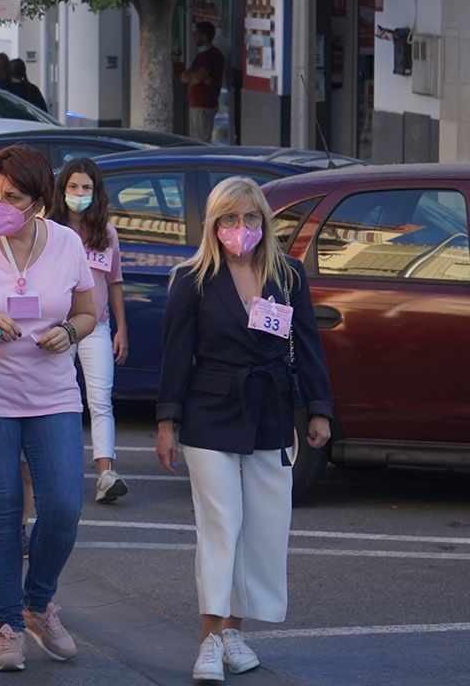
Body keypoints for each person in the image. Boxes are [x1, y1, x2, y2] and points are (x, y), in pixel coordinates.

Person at [155, 177, 333, 684]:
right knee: (221, 523)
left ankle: (234, 629)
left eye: (250, 218)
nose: (240, 228)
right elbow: (175, 357)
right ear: (214, 224)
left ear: (264, 222)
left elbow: (310, 345)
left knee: (263, 528)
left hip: (271, 412)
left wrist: (320, 410)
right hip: (209, 413)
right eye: (229, 219)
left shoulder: (289, 275)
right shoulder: (191, 278)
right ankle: (209, 638)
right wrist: (167, 423)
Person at [0, 144, 97, 673]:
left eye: (13, 197)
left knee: (62, 511)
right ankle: (8, 623)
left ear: (39, 203)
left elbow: (88, 311)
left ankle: (38, 602)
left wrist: (69, 331)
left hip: (53, 396)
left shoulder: (68, 243)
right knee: (3, 517)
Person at [46, 158, 130, 503]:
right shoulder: (49, 228)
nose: (79, 194)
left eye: (86, 188)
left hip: (96, 325)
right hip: (57, 326)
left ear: (96, 193)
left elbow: (115, 283)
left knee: (99, 399)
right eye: (73, 187)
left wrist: (121, 328)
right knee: (58, 401)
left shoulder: (106, 232)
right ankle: (54, 471)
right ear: (62, 190)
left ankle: (106, 473)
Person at [182, 22, 226, 142]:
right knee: (196, 138)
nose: (194, 37)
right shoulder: (201, 56)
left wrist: (195, 77)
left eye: (196, 34)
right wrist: (195, 76)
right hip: (197, 104)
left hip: (203, 104)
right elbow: (184, 77)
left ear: (204, 36)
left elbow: (195, 78)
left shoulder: (211, 55)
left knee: (200, 140)